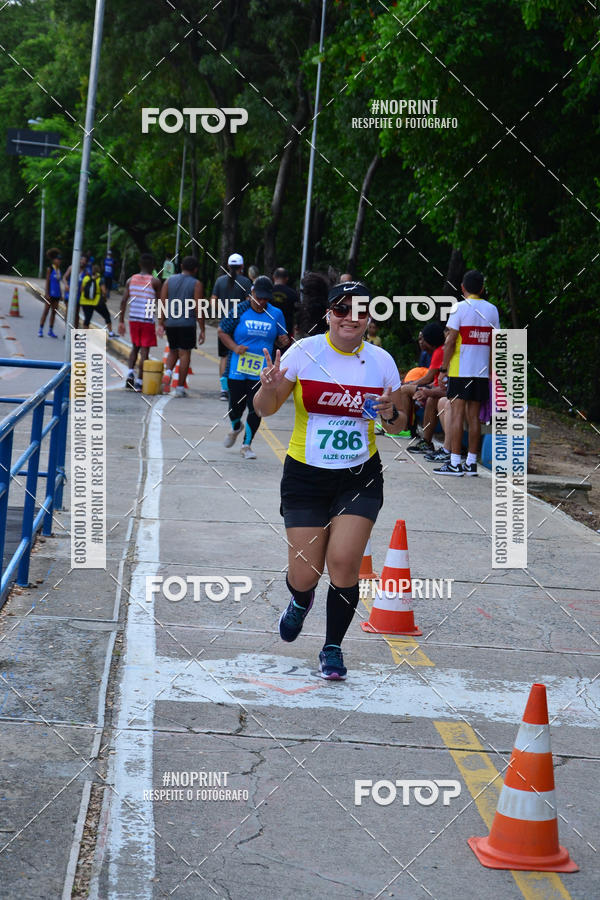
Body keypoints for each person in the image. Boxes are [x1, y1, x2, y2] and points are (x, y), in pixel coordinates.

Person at [254, 282, 405, 680]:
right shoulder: (305, 353)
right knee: (306, 575)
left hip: (359, 477)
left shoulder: (382, 362)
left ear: (370, 317)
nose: (350, 318)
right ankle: (300, 602)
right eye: (341, 310)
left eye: (359, 311)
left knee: (343, 564)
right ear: (328, 314)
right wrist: (267, 389)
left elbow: (403, 425)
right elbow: (266, 410)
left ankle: (333, 647)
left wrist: (392, 414)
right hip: (306, 476)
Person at [434, 270, 500, 476]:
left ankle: (455, 462)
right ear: (482, 289)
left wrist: (443, 369)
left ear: (462, 288)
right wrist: (491, 372)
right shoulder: (492, 310)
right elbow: (494, 343)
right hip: (481, 372)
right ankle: (471, 463)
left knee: (456, 414)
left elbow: (451, 340)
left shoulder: (459, 308)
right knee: (474, 418)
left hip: (460, 370)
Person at [218, 276, 289, 458]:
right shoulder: (240, 309)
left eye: (266, 298)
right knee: (235, 406)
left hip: (263, 370)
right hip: (237, 367)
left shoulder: (276, 313)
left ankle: (246, 445)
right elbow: (222, 331)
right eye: (259, 297)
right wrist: (235, 347)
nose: (262, 302)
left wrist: (283, 340)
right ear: (252, 293)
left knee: (255, 407)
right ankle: (236, 426)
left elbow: (283, 338)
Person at [158, 256, 205, 397]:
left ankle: (168, 373)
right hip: (187, 324)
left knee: (173, 350)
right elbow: (199, 308)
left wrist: (161, 322)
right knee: (185, 354)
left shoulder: (168, 281)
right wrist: (202, 329)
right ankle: (179, 388)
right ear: (195, 269)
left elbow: (162, 302)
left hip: (171, 323)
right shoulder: (196, 284)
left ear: (182, 266)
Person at [211, 253, 252, 400]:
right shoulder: (246, 282)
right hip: (241, 325)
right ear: (242, 266)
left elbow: (213, 301)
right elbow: (249, 302)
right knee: (240, 355)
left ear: (228, 266)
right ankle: (240, 387)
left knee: (223, 357)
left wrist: (223, 313)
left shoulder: (220, 281)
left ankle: (224, 389)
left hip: (225, 324)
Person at [400, 322, 446, 454]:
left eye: (422, 339)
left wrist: (411, 385)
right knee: (415, 391)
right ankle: (422, 438)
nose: (420, 342)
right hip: (436, 388)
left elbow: (428, 378)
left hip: (440, 390)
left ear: (429, 340)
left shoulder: (439, 351)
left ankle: (405, 429)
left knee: (404, 390)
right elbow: (434, 380)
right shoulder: (436, 352)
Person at [118, 253, 161, 390]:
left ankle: (130, 375)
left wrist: (120, 321)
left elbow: (124, 301)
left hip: (133, 319)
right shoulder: (155, 282)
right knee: (145, 352)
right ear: (153, 267)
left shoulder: (131, 280)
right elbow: (160, 303)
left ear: (139, 265)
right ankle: (140, 381)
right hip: (147, 320)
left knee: (134, 348)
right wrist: (161, 322)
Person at [79, 264, 114, 333]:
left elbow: (81, 290)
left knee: (87, 319)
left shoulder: (86, 278)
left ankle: (84, 335)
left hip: (85, 302)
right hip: (97, 301)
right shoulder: (100, 279)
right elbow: (104, 291)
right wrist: (104, 298)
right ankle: (111, 333)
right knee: (107, 315)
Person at [39, 248, 62, 338]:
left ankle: (50, 330)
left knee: (54, 312)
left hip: (56, 294)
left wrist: (61, 294)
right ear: (54, 260)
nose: (59, 261)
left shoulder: (59, 270)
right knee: (46, 312)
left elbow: (58, 283)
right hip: (50, 294)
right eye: (58, 259)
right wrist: (46, 293)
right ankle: (40, 329)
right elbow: (47, 281)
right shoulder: (50, 269)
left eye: (60, 260)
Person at [271, 267, 298, 338]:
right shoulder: (292, 294)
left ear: (274, 277)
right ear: (287, 278)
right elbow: (297, 313)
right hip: (286, 331)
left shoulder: (268, 292)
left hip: (268, 328)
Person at [63, 254, 88, 329]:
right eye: (82, 260)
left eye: (84, 261)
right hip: (70, 293)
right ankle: (67, 331)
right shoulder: (72, 268)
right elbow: (64, 277)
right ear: (79, 260)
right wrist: (66, 285)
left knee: (76, 313)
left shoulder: (86, 272)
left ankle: (75, 331)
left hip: (79, 294)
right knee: (68, 312)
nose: (82, 262)